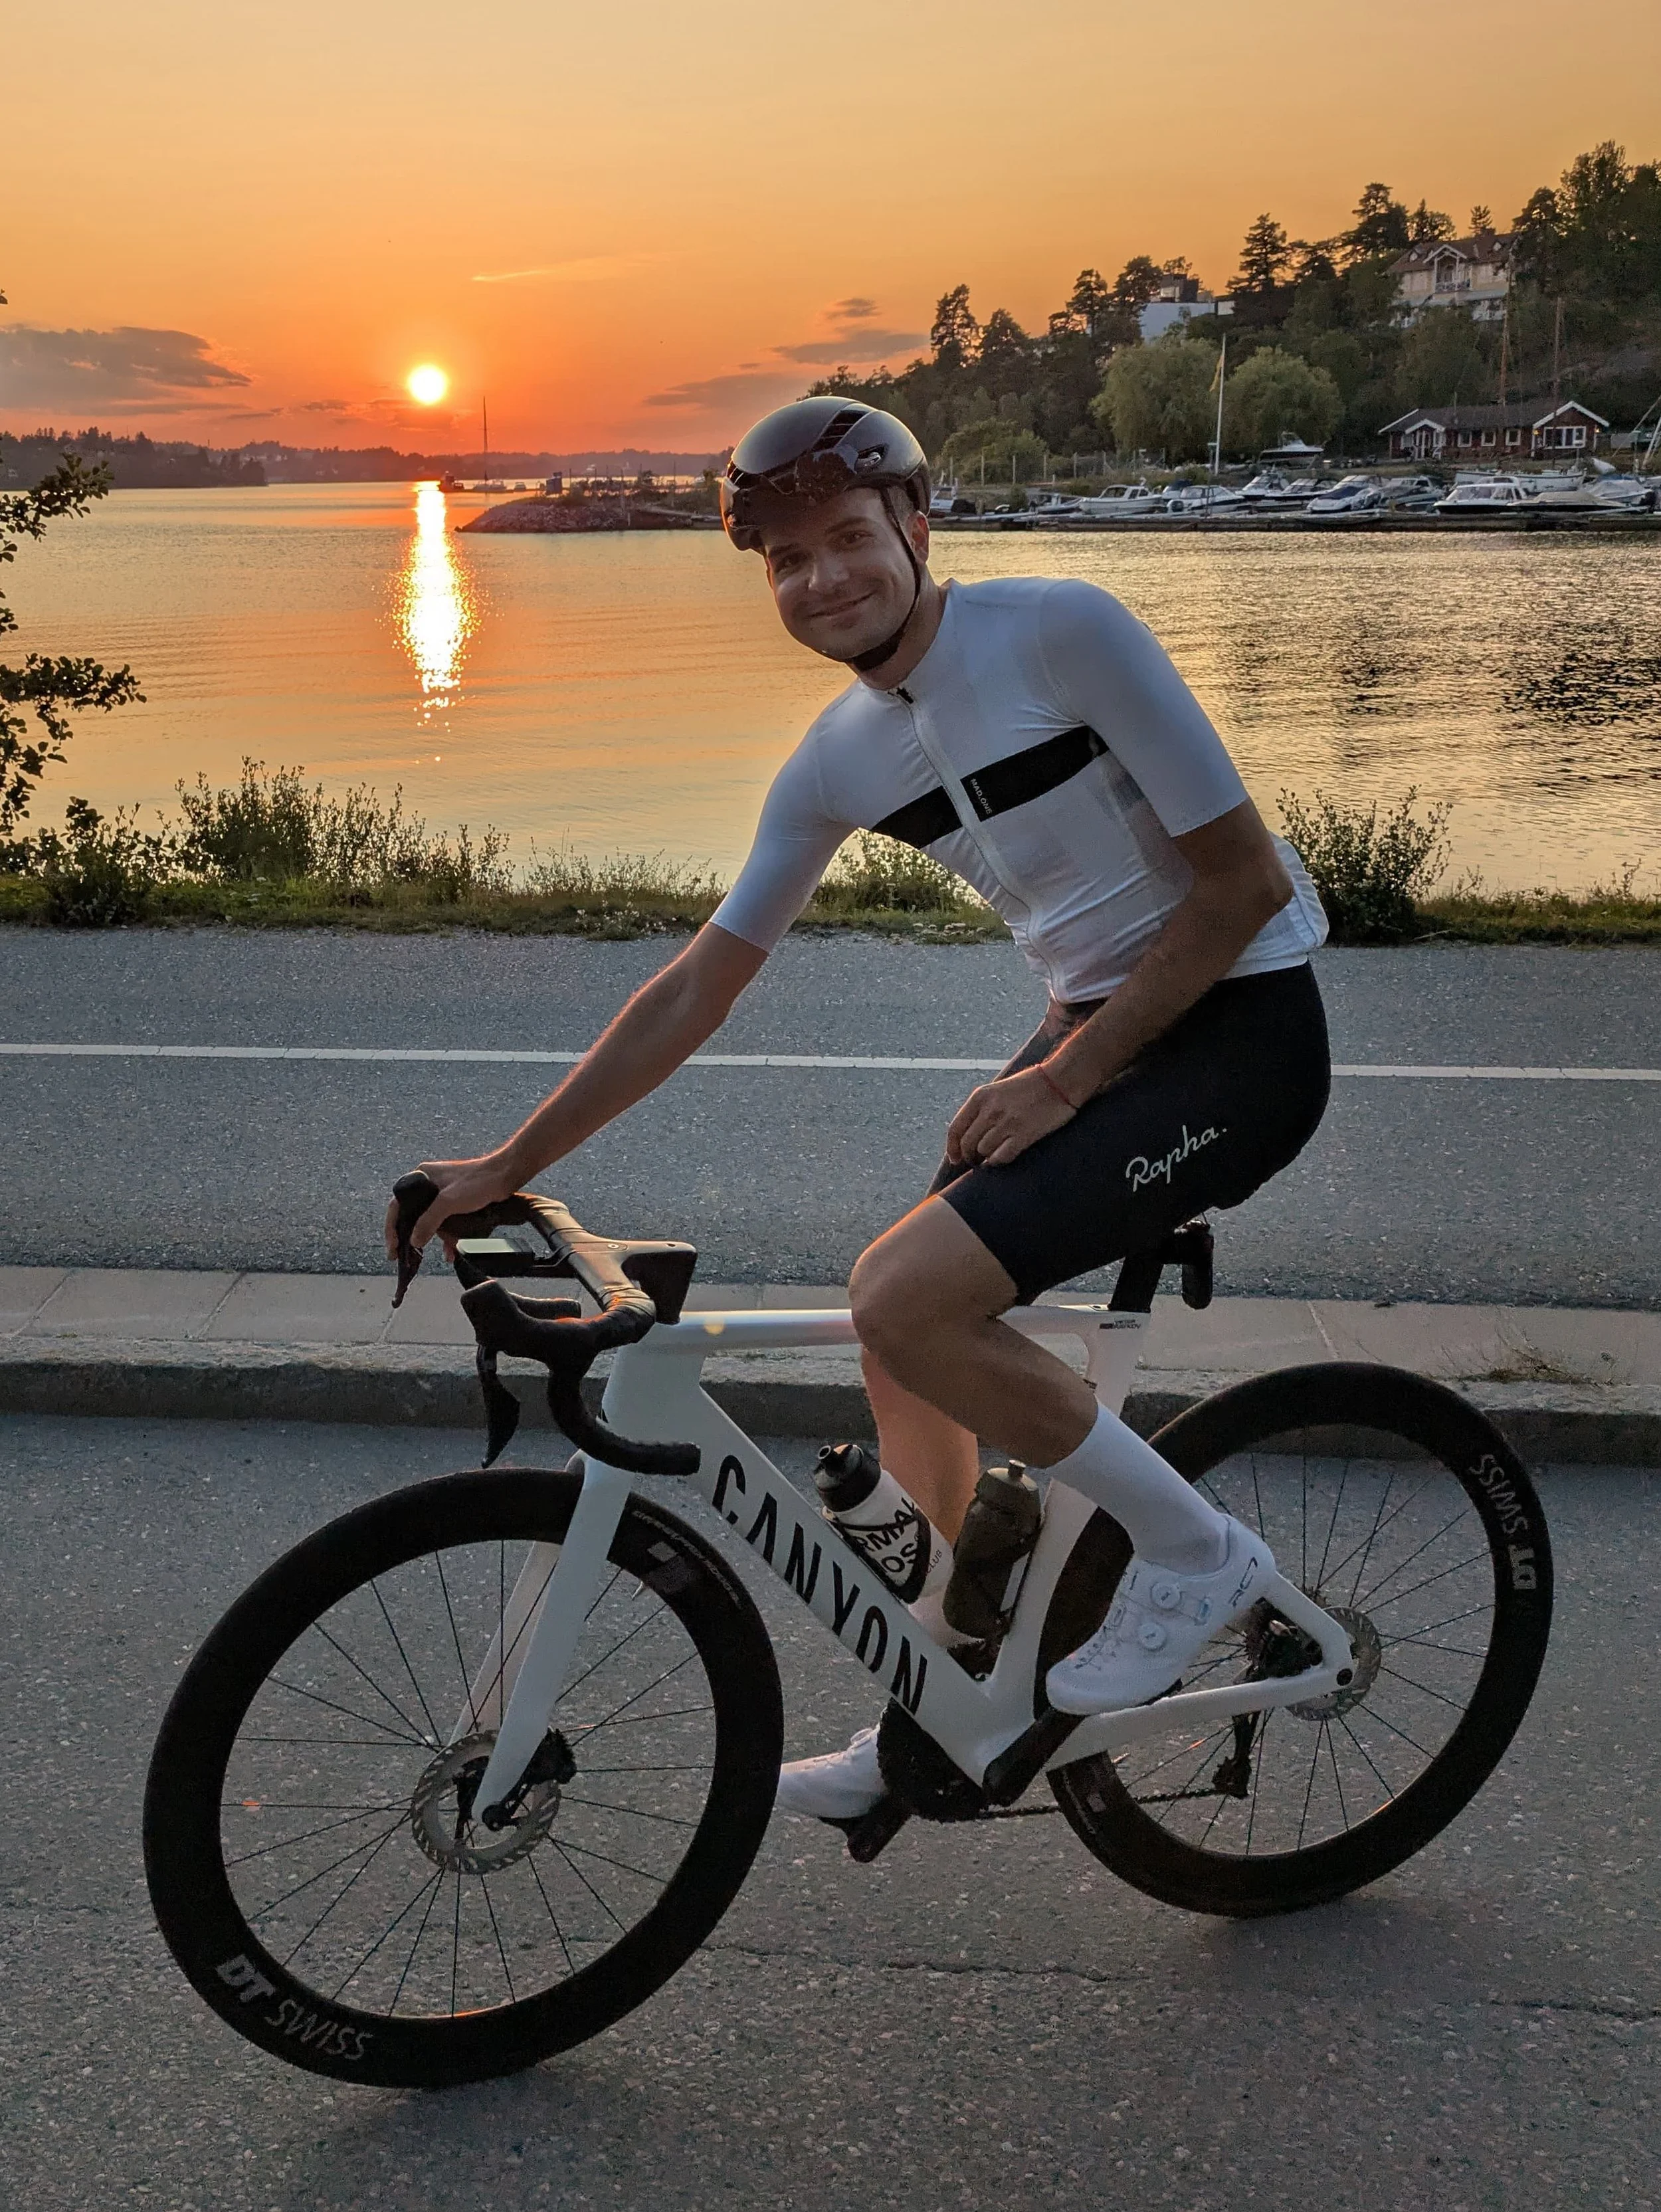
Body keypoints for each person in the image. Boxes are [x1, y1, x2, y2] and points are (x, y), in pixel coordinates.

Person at [387, 396, 1331, 1823]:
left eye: (844, 537)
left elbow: (1243, 888)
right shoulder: (839, 755)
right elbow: (700, 983)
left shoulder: (1061, 630)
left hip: (1244, 1027)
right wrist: (511, 1158)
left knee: (907, 1295)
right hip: (1101, 1029)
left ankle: (1193, 1551)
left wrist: (1061, 1078)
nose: (821, 577)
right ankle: (952, 1694)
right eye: (783, 557)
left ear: (914, 521)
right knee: (901, 1316)